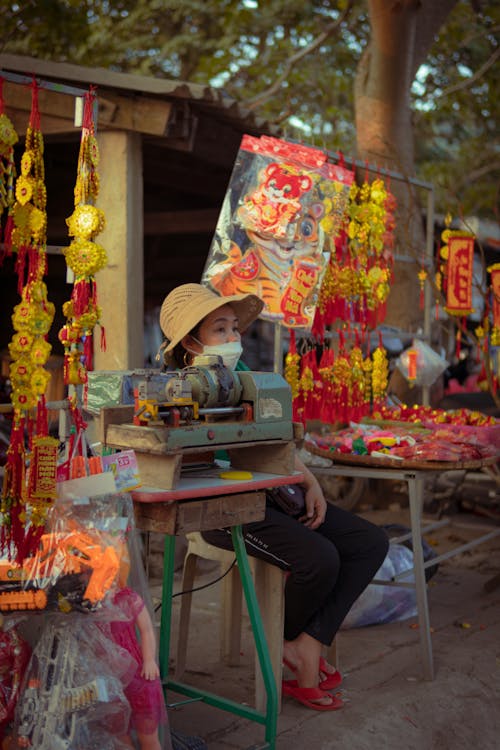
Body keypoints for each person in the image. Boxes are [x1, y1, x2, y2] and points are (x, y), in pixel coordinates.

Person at [159, 283, 389, 711]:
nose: (233, 339)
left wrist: (309, 482)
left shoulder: (245, 373)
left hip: (269, 492)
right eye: (219, 330)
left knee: (369, 543)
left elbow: (275, 438)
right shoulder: (174, 390)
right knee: (320, 559)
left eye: (234, 328)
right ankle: (301, 653)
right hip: (219, 509)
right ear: (191, 341)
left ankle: (304, 641)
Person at [105, 586, 168, 750]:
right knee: (120, 737)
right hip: (109, 678)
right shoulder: (89, 605)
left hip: (137, 673)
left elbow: (146, 629)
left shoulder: (129, 599)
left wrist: (149, 660)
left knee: (148, 737)